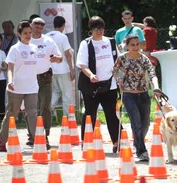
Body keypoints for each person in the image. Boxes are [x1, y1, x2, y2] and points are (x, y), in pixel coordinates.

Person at [76, 16, 121, 153]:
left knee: (111, 114)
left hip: (109, 84)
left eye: (101, 28)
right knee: (90, 114)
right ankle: (86, 141)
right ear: (91, 30)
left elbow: (119, 61)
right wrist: (91, 75)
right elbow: (82, 64)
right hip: (91, 86)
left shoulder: (111, 42)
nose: (99, 31)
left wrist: (119, 77)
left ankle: (117, 142)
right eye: (95, 28)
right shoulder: (86, 44)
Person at [113, 34, 160, 161]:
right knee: (136, 123)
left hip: (143, 94)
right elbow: (114, 70)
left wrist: (156, 87)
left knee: (145, 124)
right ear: (127, 46)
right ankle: (141, 151)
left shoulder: (144, 58)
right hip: (128, 95)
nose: (135, 47)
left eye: (137, 44)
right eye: (132, 45)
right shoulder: (122, 58)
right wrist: (119, 80)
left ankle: (137, 142)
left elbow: (152, 73)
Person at [0, 21, 39, 151]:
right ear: (19, 34)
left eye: (30, 33)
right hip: (15, 88)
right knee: (11, 114)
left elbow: (38, 66)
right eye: (25, 33)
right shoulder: (15, 49)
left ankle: (38, 140)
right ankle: (2, 140)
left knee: (32, 113)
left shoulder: (35, 48)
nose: (28, 35)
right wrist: (10, 81)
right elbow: (10, 68)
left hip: (32, 88)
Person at [27, 17, 62, 149]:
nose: (39, 26)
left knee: (46, 106)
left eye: (41, 25)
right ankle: (32, 135)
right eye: (36, 24)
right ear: (31, 25)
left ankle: (44, 135)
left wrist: (57, 59)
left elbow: (60, 57)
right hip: (29, 77)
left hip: (45, 77)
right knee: (31, 107)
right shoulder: (26, 40)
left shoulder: (48, 40)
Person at [46, 16, 75, 116]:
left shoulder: (46, 36)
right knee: (67, 94)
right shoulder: (63, 37)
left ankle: (46, 112)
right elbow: (67, 54)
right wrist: (72, 70)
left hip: (50, 69)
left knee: (55, 92)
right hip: (63, 69)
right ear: (63, 25)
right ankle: (68, 116)